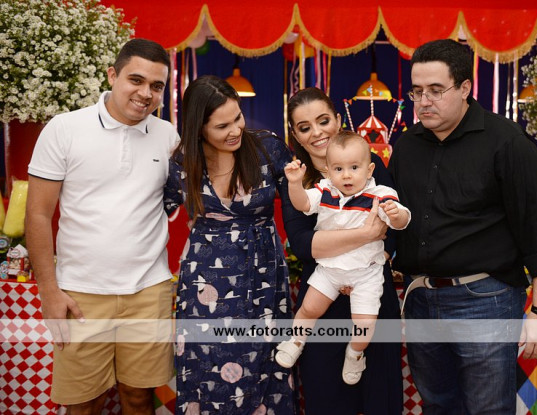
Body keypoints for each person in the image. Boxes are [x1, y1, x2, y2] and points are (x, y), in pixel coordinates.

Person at [388, 39, 537, 414]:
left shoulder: (507, 142)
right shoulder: (406, 146)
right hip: (420, 298)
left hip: (485, 299)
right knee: (437, 405)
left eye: (436, 90)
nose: (424, 101)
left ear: (465, 87)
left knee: (488, 408)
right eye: (417, 91)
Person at [26, 38, 178, 414]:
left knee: (139, 397)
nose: (145, 93)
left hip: (149, 291)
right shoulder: (64, 128)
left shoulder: (168, 136)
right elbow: (38, 214)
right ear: (112, 75)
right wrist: (48, 290)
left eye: (156, 86)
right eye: (136, 80)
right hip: (81, 294)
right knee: (83, 403)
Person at [163, 75, 296, 414]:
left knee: (266, 364)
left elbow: (305, 203)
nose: (236, 130)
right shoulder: (182, 163)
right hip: (205, 281)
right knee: (206, 364)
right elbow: (157, 207)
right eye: (222, 126)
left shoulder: (268, 148)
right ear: (198, 129)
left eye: (238, 118)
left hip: (263, 276)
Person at [282, 87, 404, 414]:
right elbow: (304, 245)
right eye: (305, 127)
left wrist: (362, 266)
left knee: (380, 398)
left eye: (323, 121)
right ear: (295, 134)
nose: (317, 132)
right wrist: (365, 234)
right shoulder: (297, 181)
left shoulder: (371, 166)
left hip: (372, 294)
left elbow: (392, 233)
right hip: (323, 298)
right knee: (327, 398)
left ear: (338, 120)